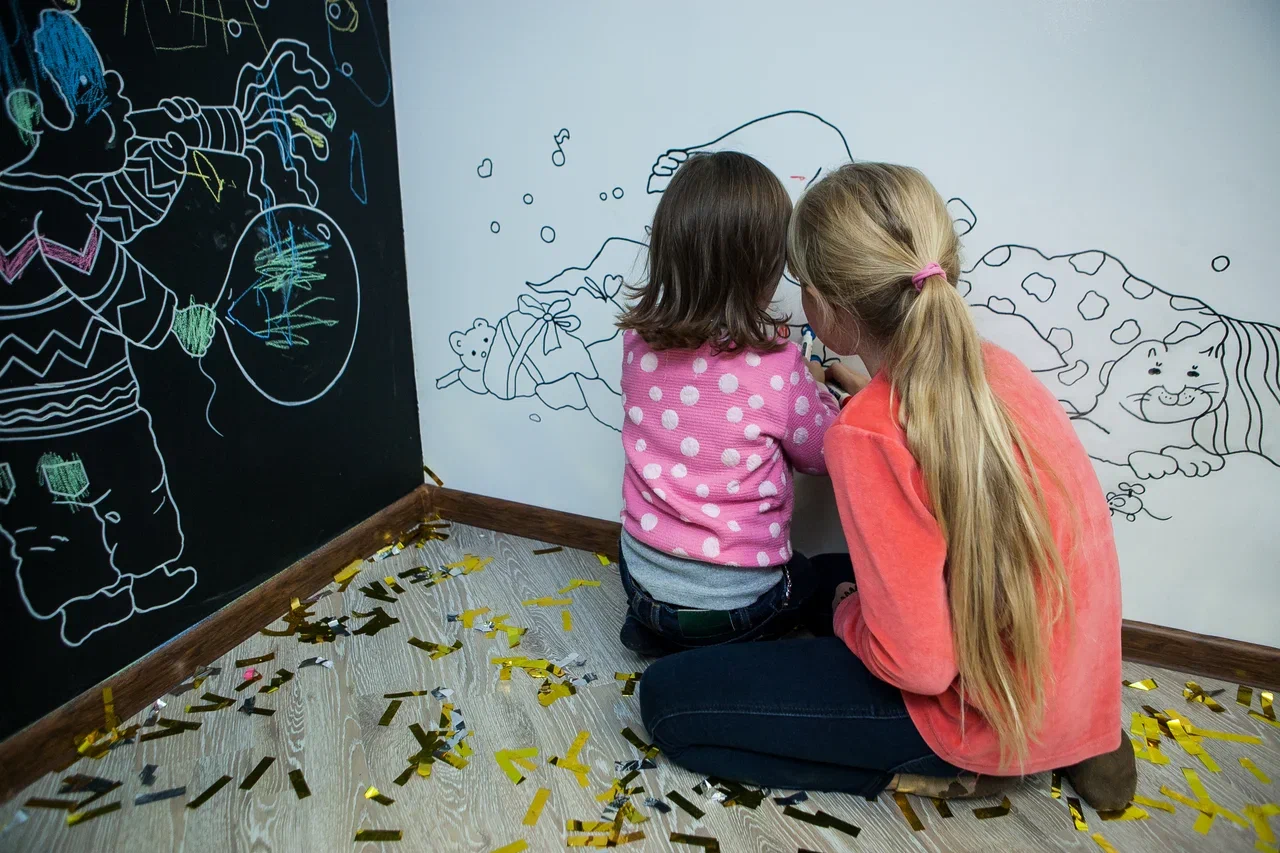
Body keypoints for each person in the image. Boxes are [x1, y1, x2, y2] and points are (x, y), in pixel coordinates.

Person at [638, 162, 1134, 810]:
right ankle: (1086, 743)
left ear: (825, 307)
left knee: (668, 702)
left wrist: (850, 612)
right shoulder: (998, 370)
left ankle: (957, 769)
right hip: (1065, 682)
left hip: (974, 717)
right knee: (819, 575)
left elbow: (919, 667)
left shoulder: (868, 434)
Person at [615, 151, 842, 657]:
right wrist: (819, 391)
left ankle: (654, 626)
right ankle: (718, 644)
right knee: (807, 578)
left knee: (663, 577)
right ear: (764, 271)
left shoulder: (636, 347)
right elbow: (824, 454)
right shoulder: (779, 367)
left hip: (640, 580)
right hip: (736, 604)